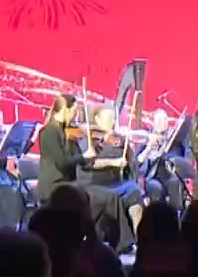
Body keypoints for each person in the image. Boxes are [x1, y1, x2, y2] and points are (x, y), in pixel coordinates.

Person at [79, 104, 144, 252]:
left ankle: (141, 240)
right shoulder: (87, 139)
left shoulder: (116, 140)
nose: (114, 122)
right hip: (94, 183)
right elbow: (89, 164)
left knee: (134, 190)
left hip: (115, 182)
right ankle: (122, 242)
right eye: (110, 119)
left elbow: (131, 164)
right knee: (113, 196)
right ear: (97, 119)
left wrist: (128, 149)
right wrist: (113, 162)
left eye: (115, 118)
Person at [35, 93, 83, 203]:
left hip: (66, 184)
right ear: (66, 110)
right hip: (53, 186)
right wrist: (83, 157)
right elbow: (62, 162)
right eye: (74, 111)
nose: (75, 116)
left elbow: (76, 158)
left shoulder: (66, 131)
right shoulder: (49, 131)